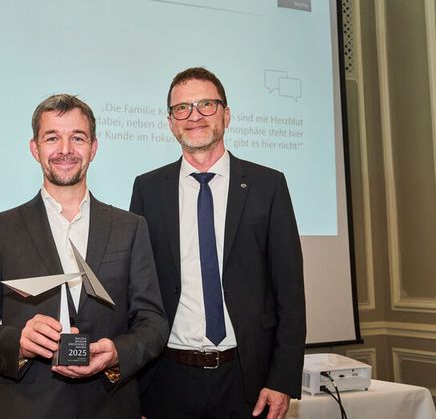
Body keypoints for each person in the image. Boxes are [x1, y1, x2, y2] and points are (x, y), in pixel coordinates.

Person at [0, 94, 168, 419]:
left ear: (93, 148)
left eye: (77, 137)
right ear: (34, 148)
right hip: (25, 408)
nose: (65, 149)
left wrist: (116, 354)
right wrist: (19, 342)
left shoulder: (131, 228)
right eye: (52, 137)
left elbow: (153, 322)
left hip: (110, 406)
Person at [130, 67, 306, 419]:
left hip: (247, 381)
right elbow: (136, 290)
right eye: (182, 108)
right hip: (166, 380)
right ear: (170, 122)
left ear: (226, 115)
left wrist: (282, 379)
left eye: (206, 105)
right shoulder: (147, 189)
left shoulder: (267, 186)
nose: (194, 115)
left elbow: (289, 291)